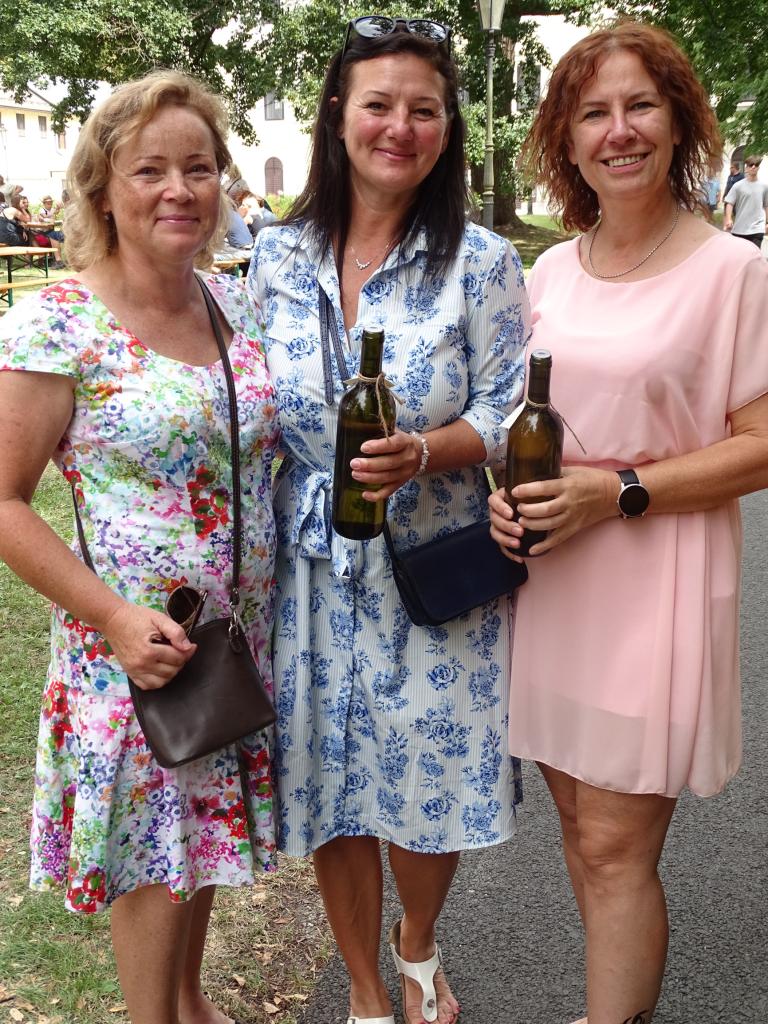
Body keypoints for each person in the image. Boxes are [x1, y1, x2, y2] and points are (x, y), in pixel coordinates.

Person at [248, 15, 529, 1024]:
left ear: (447, 130)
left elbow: (509, 410)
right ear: (338, 115)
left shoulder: (482, 262)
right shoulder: (276, 257)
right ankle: (366, 992)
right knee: (329, 781)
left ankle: (417, 942)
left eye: (424, 109)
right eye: (379, 104)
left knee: (428, 772)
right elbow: (247, 402)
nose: (399, 127)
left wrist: (426, 450)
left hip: (432, 564)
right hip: (310, 571)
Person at [488, 21, 768, 1024]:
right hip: (554, 588)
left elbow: (762, 442)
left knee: (616, 846)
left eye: (640, 105)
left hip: (654, 589)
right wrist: (507, 491)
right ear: (566, 141)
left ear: (678, 120)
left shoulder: (731, 271)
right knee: (578, 828)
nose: (619, 131)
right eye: (593, 113)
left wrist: (619, 492)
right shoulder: (551, 274)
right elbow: (528, 420)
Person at [0, 70, 278, 1024]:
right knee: (155, 856)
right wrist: (116, 618)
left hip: (226, 645)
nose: (179, 190)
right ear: (102, 188)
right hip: (132, 653)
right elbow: (5, 501)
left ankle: (190, 1005)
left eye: (198, 167)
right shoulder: (59, 321)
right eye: (149, 170)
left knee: (197, 841)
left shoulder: (233, 306)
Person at [723, 154, 768, 248]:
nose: (753, 167)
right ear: (746, 168)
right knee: (740, 255)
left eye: (756, 165)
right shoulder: (738, 186)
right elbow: (730, 203)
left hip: (757, 229)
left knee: (754, 254)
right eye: (750, 165)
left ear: (758, 168)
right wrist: (728, 218)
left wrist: (767, 223)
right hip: (740, 228)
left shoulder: (764, 187)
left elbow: (766, 206)